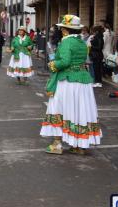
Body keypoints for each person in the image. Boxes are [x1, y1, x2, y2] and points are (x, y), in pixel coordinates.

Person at [41, 15, 101, 155]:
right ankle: (79, 146)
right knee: (79, 111)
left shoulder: (66, 42)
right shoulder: (81, 42)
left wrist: (53, 64)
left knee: (59, 108)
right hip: (83, 80)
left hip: (68, 80)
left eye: (62, 28)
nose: (60, 30)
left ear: (65, 30)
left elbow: (65, 61)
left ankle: (57, 144)